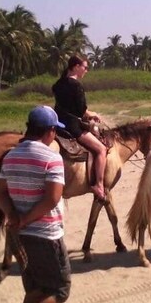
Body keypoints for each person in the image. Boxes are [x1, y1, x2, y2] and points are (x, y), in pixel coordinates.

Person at [0, 105, 70, 303]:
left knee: (35, 289)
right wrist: (26, 218)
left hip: (20, 235)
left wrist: (13, 216)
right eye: (54, 131)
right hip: (46, 234)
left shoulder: (11, 156)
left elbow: (1, 193)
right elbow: (52, 198)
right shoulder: (52, 158)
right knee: (60, 290)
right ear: (50, 131)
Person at [52, 55, 107, 203]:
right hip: (72, 127)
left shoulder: (58, 84)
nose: (86, 70)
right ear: (76, 67)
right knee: (101, 149)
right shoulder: (76, 86)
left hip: (57, 125)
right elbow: (82, 111)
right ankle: (99, 185)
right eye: (85, 67)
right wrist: (93, 114)